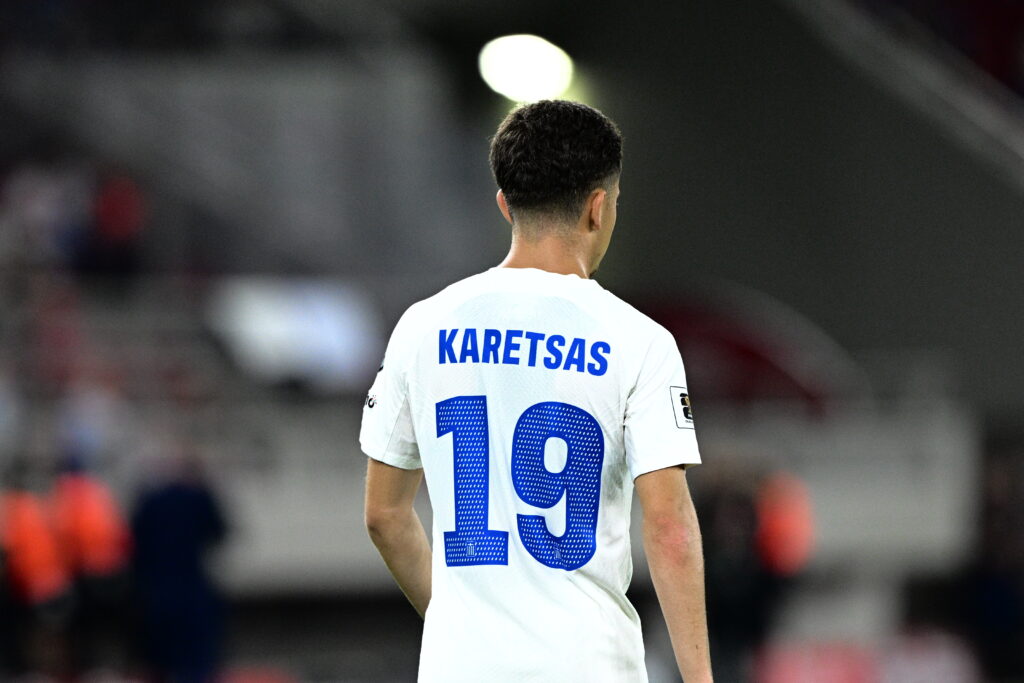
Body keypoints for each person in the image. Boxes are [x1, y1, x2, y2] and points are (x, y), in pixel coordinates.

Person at [361, 99, 712, 682]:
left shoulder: (422, 325)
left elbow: (383, 515)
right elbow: (669, 527)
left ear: (505, 204)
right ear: (598, 207)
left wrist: (457, 628)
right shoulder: (639, 341)